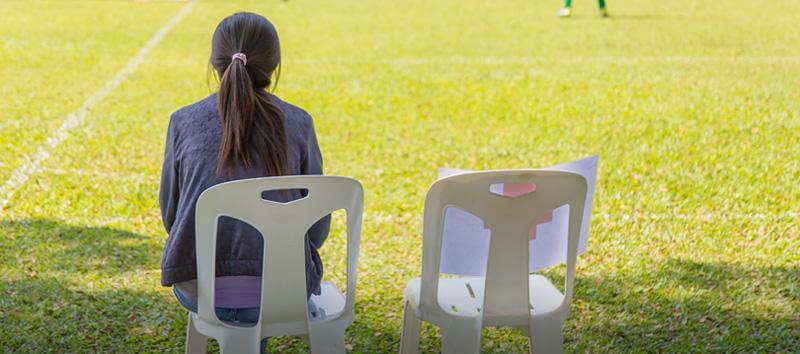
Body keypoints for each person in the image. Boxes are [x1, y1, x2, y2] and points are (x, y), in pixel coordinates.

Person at [158, 12, 330, 351]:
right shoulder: (299, 124)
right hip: (285, 292)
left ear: (214, 64)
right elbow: (318, 230)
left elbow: (171, 216)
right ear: (275, 66)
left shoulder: (183, 123)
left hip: (202, 289)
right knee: (265, 288)